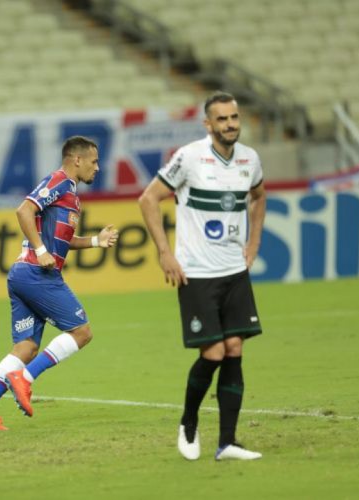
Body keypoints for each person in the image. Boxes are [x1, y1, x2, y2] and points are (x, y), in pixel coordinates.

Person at [138, 91, 266, 461]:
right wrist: (165, 252)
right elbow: (148, 199)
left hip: (234, 271)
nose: (230, 124)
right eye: (222, 119)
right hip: (196, 272)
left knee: (235, 349)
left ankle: (227, 443)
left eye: (234, 118)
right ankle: (189, 422)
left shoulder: (249, 159)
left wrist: (254, 242)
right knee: (213, 352)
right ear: (208, 125)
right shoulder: (189, 157)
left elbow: (259, 196)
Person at [0, 136, 119, 431]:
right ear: (77, 159)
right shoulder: (59, 181)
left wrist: (95, 241)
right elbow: (23, 210)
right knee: (82, 332)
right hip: (38, 273)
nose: (98, 167)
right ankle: (25, 378)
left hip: (23, 275)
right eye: (94, 161)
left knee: (25, 348)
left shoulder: (71, 194)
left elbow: (62, 239)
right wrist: (40, 251)